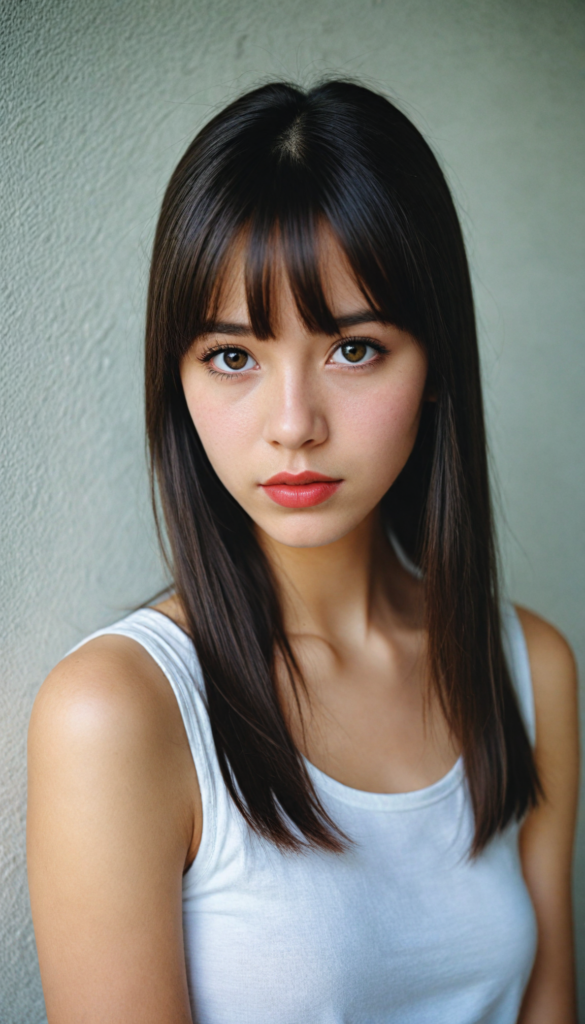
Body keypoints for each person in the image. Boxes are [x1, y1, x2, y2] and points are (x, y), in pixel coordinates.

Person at [27, 80, 579, 1024]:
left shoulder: (527, 669)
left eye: (352, 349)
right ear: (179, 376)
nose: (293, 426)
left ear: (437, 363)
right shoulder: (119, 713)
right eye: (233, 356)